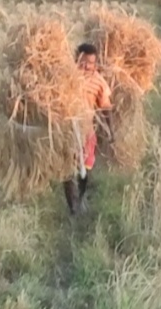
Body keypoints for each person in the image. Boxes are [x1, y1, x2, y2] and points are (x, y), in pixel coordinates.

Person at [62, 43, 114, 215]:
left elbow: (106, 107)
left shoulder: (99, 82)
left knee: (84, 169)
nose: (86, 67)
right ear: (76, 60)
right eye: (83, 62)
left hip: (87, 132)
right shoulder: (66, 79)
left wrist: (110, 130)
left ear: (96, 64)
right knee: (67, 169)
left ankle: (81, 196)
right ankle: (73, 208)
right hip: (67, 131)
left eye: (90, 63)